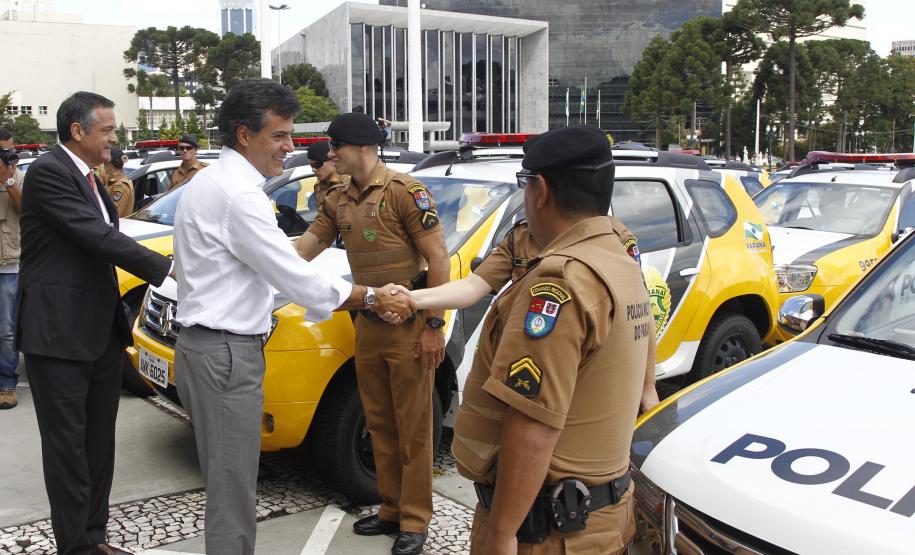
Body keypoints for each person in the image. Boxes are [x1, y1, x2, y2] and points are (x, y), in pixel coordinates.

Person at [172, 79, 413, 555]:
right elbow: (295, 280)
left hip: (207, 347)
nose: (292, 147)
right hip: (225, 354)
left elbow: (262, 259)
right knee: (232, 485)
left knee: (228, 478)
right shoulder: (240, 196)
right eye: (280, 135)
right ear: (245, 135)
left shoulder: (209, 183)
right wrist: (369, 297)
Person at [427, 125, 654, 554]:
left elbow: (534, 424)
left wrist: (502, 532)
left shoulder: (561, 280)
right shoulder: (618, 254)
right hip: (598, 514)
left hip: (549, 529)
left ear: (541, 189)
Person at [17, 92, 174, 555]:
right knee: (68, 450)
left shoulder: (89, 177)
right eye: (106, 129)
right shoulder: (49, 172)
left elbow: (107, 235)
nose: (114, 137)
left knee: (99, 444)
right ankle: (76, 547)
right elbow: (97, 236)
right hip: (58, 334)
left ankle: (94, 537)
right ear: (77, 131)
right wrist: (168, 267)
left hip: (100, 333)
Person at [294, 112, 449, 555]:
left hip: (411, 326)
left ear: (360, 147)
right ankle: (391, 508)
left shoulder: (405, 192)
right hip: (367, 324)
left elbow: (438, 260)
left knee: (414, 426)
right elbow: (305, 248)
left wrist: (434, 325)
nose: (330, 154)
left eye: (335, 146)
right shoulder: (339, 197)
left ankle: (416, 520)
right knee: (379, 422)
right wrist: (260, 268)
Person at [399, 217, 660, 414]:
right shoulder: (522, 237)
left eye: (529, 183)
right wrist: (411, 298)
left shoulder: (614, 239)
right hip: (531, 370)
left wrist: (647, 387)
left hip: (588, 371)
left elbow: (640, 311)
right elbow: (471, 288)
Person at [0, 131, 23, 410]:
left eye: (8, 151)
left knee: (6, 331)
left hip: (9, 265)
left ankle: (6, 383)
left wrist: (6, 178)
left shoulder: (18, 178)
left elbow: (25, 209)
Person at [307, 140, 348, 212]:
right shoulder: (319, 186)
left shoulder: (347, 184)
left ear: (332, 161)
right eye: (311, 165)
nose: (313, 169)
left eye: (317, 165)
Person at [103, 147, 134, 218]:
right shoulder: (114, 182)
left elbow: (115, 214)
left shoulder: (120, 186)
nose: (103, 165)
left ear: (110, 164)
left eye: (105, 163)